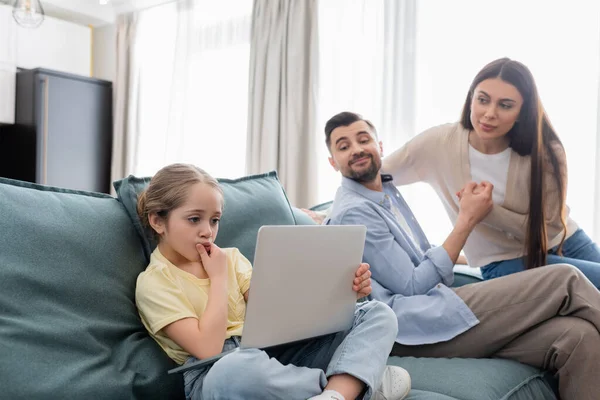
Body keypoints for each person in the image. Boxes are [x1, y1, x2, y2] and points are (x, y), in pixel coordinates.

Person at [323, 111, 600, 400]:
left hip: (431, 306)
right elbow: (414, 286)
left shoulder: (384, 190)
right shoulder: (355, 210)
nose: (356, 149)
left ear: (380, 146)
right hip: (411, 324)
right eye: (343, 146)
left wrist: (465, 259)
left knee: (579, 338)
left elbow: (414, 258)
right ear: (333, 162)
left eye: (363, 139)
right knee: (564, 279)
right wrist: (467, 220)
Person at [134, 163, 410, 400]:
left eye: (215, 220)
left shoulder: (232, 258)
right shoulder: (155, 283)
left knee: (378, 313)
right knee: (235, 370)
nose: (207, 231)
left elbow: (278, 314)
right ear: (158, 221)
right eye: (194, 219)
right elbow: (208, 348)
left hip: (273, 353)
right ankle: (352, 385)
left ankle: (336, 393)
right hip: (216, 371)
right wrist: (218, 278)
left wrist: (344, 294)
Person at [382, 57, 600, 286]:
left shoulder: (546, 151)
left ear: (522, 111)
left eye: (505, 105)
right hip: (505, 261)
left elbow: (552, 225)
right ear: (471, 98)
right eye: (483, 100)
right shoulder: (439, 143)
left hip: (567, 239)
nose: (489, 114)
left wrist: (486, 212)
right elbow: (378, 174)